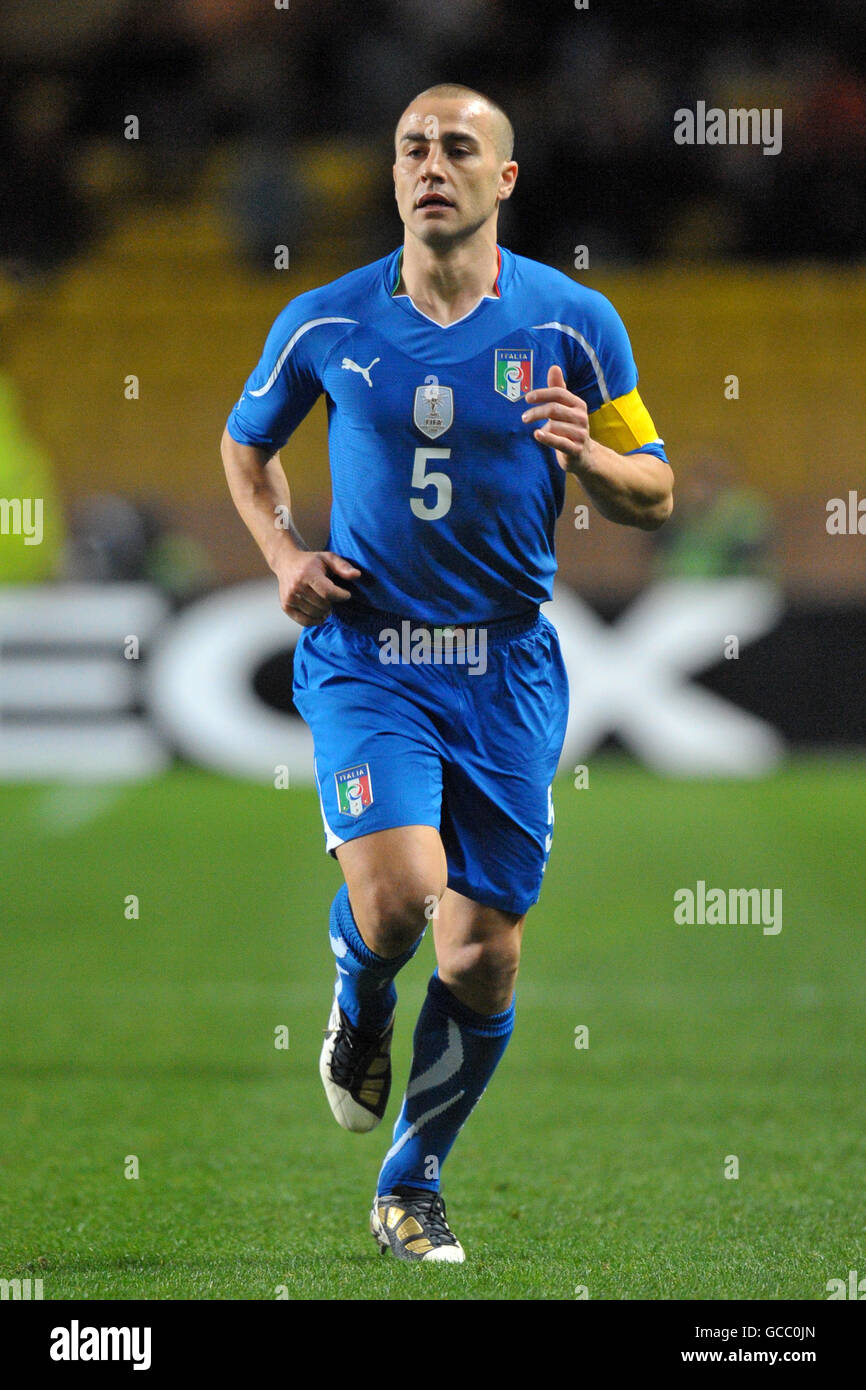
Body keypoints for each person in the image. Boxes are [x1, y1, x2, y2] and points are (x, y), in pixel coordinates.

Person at [222, 84, 673, 1263]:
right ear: (391, 175)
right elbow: (245, 441)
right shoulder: (325, 322)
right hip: (369, 656)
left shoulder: (573, 323)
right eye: (412, 147)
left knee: (484, 952)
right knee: (399, 894)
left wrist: (591, 457)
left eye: (457, 147)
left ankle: (409, 1180)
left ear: (503, 180)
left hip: (505, 667)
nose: (432, 163)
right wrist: (281, 552)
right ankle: (358, 1001)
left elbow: (656, 489)